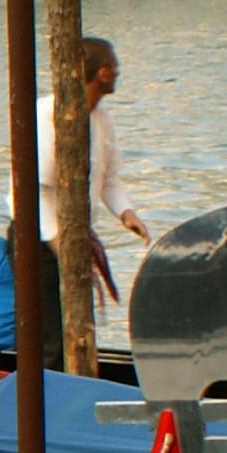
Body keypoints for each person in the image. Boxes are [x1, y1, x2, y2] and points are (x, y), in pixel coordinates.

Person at [31, 32, 158, 308]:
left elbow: (107, 179)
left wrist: (126, 213)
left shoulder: (100, 119)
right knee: (53, 336)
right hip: (39, 238)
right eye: (115, 66)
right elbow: (36, 190)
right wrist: (59, 245)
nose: (118, 72)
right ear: (102, 73)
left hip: (74, 235)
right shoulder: (45, 113)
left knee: (80, 323)